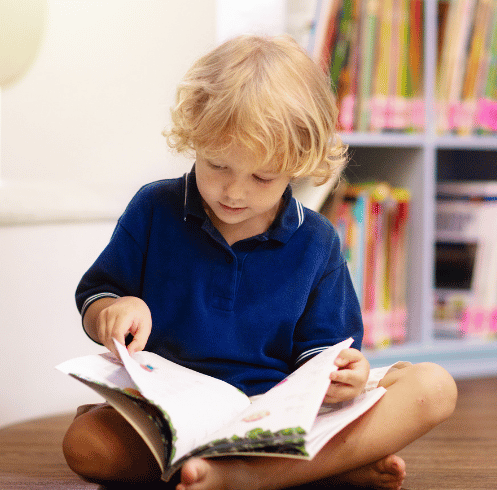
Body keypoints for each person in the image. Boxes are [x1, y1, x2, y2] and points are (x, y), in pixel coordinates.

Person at [61, 34, 457, 490]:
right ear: (195, 138)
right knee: (86, 444)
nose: (234, 192)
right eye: (217, 165)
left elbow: (325, 355)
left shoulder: (318, 242)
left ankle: (241, 475)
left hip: (278, 418)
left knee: (433, 387)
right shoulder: (154, 209)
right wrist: (111, 310)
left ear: (298, 163)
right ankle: (318, 471)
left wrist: (346, 375)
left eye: (262, 177)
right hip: (173, 415)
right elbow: (96, 295)